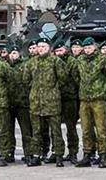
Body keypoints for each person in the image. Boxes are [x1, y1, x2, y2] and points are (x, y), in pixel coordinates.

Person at [24, 37, 67, 167]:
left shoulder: (56, 61)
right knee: (36, 132)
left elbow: (63, 79)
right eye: (39, 46)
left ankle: (58, 155)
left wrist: (53, 91)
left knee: (56, 131)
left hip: (52, 103)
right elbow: (26, 80)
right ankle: (36, 155)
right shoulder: (31, 63)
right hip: (36, 102)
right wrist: (36, 90)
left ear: (49, 48)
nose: (41, 49)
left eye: (43, 46)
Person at [74, 37, 106, 169]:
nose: (87, 50)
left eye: (89, 47)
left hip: (98, 99)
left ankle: (103, 155)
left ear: (94, 47)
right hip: (84, 99)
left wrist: (100, 87)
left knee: (101, 129)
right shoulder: (80, 60)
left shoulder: (101, 59)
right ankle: (87, 154)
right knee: (85, 129)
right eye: (85, 48)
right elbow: (75, 76)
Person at [53, 40, 79, 163]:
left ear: (66, 50)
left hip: (69, 98)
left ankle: (73, 152)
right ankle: (56, 151)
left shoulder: (72, 62)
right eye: (57, 51)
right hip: (56, 98)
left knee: (71, 127)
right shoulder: (53, 61)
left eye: (61, 50)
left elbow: (76, 79)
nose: (59, 53)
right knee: (55, 127)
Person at [5, 45, 32, 162]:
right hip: (9, 103)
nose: (13, 55)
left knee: (26, 130)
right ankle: (10, 152)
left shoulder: (25, 65)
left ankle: (28, 153)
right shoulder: (5, 66)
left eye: (15, 53)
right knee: (9, 131)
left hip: (23, 103)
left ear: (19, 54)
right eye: (11, 53)